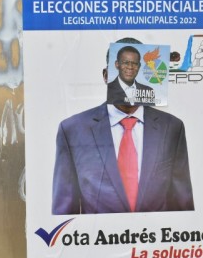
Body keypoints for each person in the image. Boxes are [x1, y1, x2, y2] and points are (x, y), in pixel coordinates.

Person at [52, 38, 194, 215]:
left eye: (134, 64)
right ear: (107, 74)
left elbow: (183, 208)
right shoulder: (73, 130)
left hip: (154, 240)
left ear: (140, 68)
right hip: (99, 240)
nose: (130, 67)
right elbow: (64, 214)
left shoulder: (172, 128)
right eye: (125, 63)